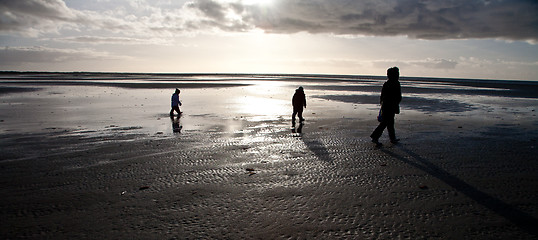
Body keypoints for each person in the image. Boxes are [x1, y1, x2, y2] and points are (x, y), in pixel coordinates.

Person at [371, 67, 402, 145]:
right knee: (386, 123)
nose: (398, 75)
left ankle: (392, 138)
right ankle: (375, 136)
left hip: (387, 106)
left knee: (390, 123)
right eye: (397, 74)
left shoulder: (388, 83)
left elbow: (382, 96)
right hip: (389, 106)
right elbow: (396, 96)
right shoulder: (394, 83)